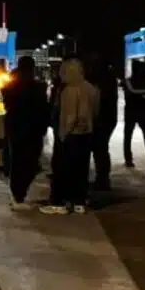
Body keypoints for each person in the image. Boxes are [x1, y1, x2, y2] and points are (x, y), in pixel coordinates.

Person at [42, 58, 99, 215]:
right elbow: (95, 112)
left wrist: (63, 134)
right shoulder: (91, 88)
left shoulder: (69, 90)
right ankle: (79, 202)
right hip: (86, 135)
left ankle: (59, 203)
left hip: (70, 135)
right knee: (81, 169)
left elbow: (71, 116)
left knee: (62, 169)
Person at [1, 56, 49, 210]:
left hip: (16, 127)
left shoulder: (10, 86)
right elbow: (43, 107)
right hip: (33, 128)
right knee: (31, 161)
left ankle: (18, 193)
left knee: (17, 160)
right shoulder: (39, 87)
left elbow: (7, 102)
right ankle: (20, 192)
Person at [89, 56, 119, 191]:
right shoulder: (109, 79)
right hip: (107, 119)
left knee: (100, 150)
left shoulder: (103, 81)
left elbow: (102, 100)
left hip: (102, 119)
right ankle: (103, 178)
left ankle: (102, 179)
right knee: (101, 150)